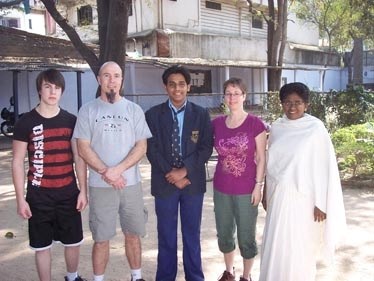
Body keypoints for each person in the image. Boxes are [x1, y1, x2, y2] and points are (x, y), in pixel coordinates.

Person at [259, 82, 347, 281]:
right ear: (281, 104)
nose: (292, 107)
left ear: (306, 105)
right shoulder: (278, 127)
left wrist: (321, 203)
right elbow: (271, 163)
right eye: (287, 102)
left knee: (299, 246)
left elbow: (324, 167)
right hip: (278, 196)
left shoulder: (315, 129)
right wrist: (265, 192)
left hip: (305, 200)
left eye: (297, 102)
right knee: (276, 243)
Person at [73, 61, 152, 281]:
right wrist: (105, 172)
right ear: (99, 80)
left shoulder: (133, 110)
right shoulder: (88, 110)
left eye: (116, 76)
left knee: (134, 234)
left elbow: (141, 147)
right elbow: (83, 147)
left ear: (121, 80)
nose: (111, 81)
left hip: (131, 185)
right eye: (106, 76)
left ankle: (136, 277)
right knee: (101, 238)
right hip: (100, 186)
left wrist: (117, 170)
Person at [12, 69, 88, 281]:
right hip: (38, 196)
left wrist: (84, 191)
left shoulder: (71, 121)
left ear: (62, 91)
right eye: (48, 86)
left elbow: (78, 158)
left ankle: (72, 277)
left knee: (73, 242)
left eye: (57, 87)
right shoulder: (25, 122)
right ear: (40, 90)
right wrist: (20, 199)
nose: (52, 92)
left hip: (68, 193)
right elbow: (17, 162)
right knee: (42, 246)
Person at [145, 65, 213, 281]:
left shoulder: (201, 114)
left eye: (182, 84)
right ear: (165, 87)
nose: (177, 89)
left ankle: (195, 277)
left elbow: (205, 147)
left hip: (192, 183)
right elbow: (151, 148)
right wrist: (172, 174)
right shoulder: (153, 114)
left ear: (189, 87)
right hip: (165, 184)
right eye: (172, 84)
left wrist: (184, 171)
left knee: (192, 235)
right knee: (166, 236)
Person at [212, 78, 267, 281]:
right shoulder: (216, 124)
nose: (232, 97)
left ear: (244, 96)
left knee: (246, 235)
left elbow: (261, 157)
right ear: (224, 97)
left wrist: (258, 186)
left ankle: (246, 275)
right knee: (224, 232)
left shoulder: (255, 124)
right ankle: (229, 271)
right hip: (222, 188)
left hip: (246, 189)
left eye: (236, 93)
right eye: (228, 93)